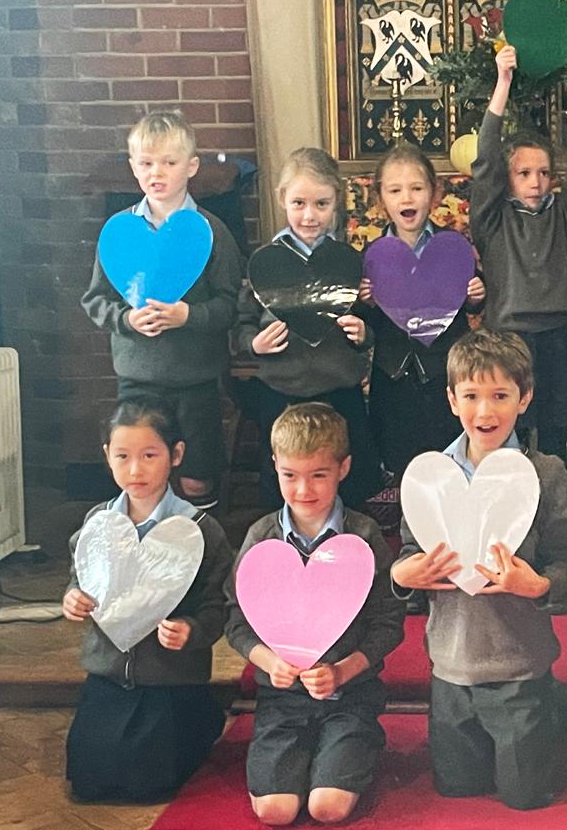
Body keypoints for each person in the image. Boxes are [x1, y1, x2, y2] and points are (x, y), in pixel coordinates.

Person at [390, 328, 567, 810]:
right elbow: (410, 551)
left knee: (525, 798)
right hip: (451, 664)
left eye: (500, 396)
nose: (485, 411)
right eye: (472, 396)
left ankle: (556, 707)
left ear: (525, 398)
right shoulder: (430, 476)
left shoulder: (546, 473)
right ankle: (555, 707)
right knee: (458, 787)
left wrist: (539, 584)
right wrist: (403, 576)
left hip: (520, 662)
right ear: (452, 399)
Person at [225, 403, 406, 825]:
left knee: (328, 807)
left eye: (318, 475)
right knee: (276, 810)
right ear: (275, 465)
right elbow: (237, 620)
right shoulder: (261, 538)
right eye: (290, 475)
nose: (303, 490)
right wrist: (269, 662)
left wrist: (342, 671)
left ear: (344, 468)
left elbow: (388, 623)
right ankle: (306, 758)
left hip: (350, 697)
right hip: (283, 700)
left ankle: (354, 745)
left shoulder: (364, 536)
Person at [63, 399, 232, 801]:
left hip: (170, 680)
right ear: (107, 455)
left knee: (148, 783)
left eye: (149, 455)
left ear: (176, 455)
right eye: (123, 456)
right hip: (108, 675)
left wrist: (191, 630)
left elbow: (218, 606)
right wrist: (72, 598)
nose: (135, 470)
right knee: (89, 782)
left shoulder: (201, 530)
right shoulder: (98, 523)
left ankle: (202, 717)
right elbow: (80, 578)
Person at [81, 109, 242, 514]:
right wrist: (126, 320)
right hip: (137, 381)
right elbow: (95, 300)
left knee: (197, 475)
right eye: (147, 163)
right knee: (142, 475)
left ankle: (203, 543)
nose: (157, 172)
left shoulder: (213, 231)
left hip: (196, 381)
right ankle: (144, 543)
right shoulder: (118, 233)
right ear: (133, 167)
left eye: (169, 162)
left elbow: (230, 305)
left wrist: (189, 316)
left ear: (191, 167)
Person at [470, 45, 567, 463]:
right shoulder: (492, 220)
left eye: (544, 173)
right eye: (524, 173)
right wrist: (502, 83)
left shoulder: (566, 216)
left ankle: (555, 498)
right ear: (507, 178)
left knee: (555, 444)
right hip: (508, 340)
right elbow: (485, 160)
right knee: (509, 439)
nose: (536, 182)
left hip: (559, 339)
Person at [235, 147, 379, 510]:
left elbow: (371, 326)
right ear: (282, 198)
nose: (310, 215)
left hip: (341, 391)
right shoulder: (266, 264)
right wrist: (254, 344)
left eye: (321, 204)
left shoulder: (349, 262)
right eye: (298, 203)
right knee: (282, 482)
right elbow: (242, 324)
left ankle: (352, 540)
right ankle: (283, 541)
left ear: (336, 202)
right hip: (282, 392)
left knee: (350, 479)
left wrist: (364, 334)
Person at [363, 143, 486, 481]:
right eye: (395, 190)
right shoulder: (372, 254)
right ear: (380, 198)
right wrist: (366, 303)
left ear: (434, 193)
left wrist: (476, 295)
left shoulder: (453, 246)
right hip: (392, 375)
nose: (407, 198)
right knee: (400, 459)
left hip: (444, 371)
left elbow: (472, 295)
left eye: (416, 188)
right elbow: (365, 322)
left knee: (448, 456)